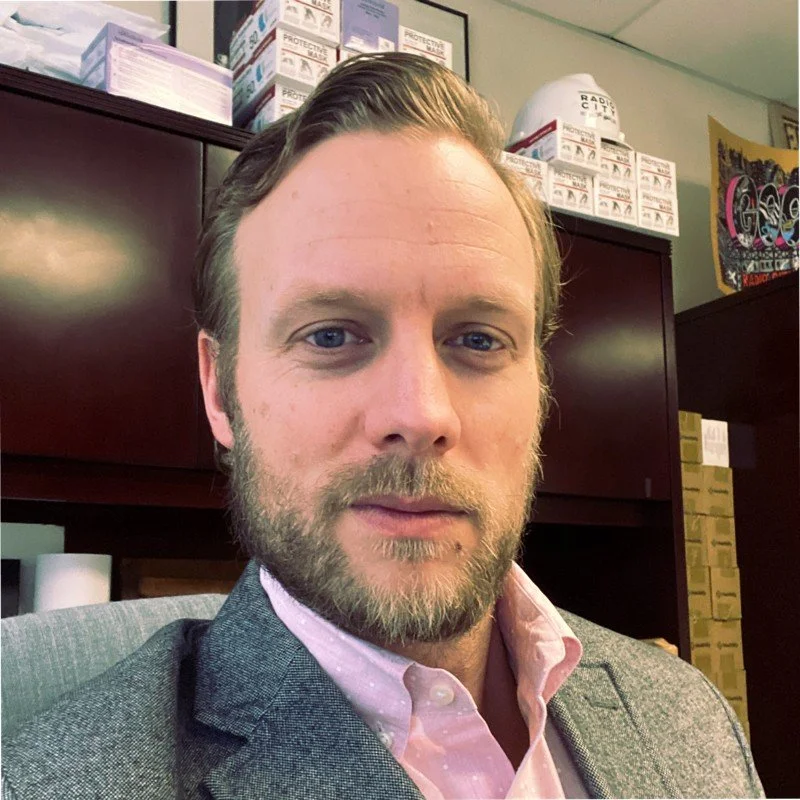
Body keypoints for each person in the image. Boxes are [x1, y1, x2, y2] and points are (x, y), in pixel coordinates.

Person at [2, 54, 762, 800]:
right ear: (218, 390)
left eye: (477, 339)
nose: (421, 415)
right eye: (331, 336)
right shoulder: (58, 780)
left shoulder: (688, 716)